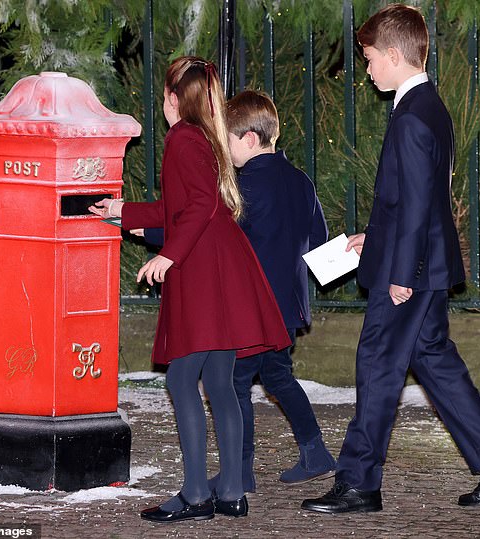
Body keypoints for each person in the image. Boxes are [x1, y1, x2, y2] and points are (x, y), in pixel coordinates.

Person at [302, 4, 480, 514]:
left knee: (378, 365)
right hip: (424, 261)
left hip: (411, 270)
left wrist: (400, 271)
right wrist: (377, 241)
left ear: (391, 53)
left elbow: (416, 204)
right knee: (434, 360)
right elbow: (418, 200)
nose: (365, 70)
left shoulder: (410, 115)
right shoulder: (430, 105)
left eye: (367, 60)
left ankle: (360, 483)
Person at [90, 56, 290, 524]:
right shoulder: (207, 138)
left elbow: (197, 206)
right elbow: (183, 206)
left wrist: (167, 256)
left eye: (164, 95)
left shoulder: (182, 137)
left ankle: (197, 494)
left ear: (174, 99)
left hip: (203, 269)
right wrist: (125, 210)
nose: (163, 103)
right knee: (219, 384)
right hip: (223, 266)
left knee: (182, 380)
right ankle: (233, 493)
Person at [217, 90, 336, 491]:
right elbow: (318, 240)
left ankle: (240, 469)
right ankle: (315, 451)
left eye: (227, 141)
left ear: (249, 139)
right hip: (286, 308)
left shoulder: (240, 185)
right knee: (279, 378)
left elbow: (215, 237)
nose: (225, 150)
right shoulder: (300, 181)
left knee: (234, 384)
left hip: (250, 309)